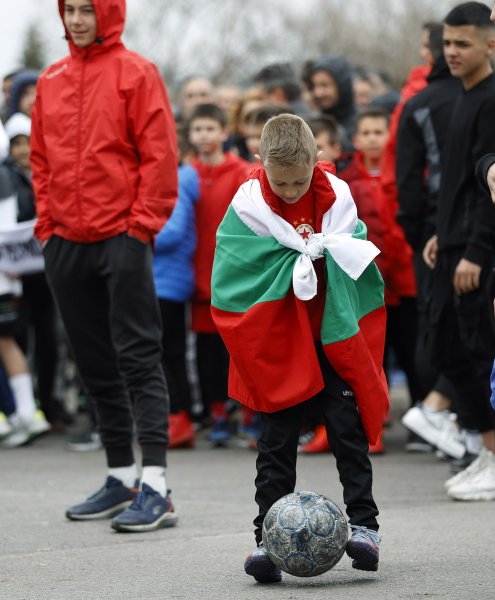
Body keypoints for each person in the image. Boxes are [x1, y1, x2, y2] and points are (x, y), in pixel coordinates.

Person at [211, 114, 389, 581]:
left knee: (347, 431)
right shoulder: (247, 207)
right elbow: (234, 274)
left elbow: (356, 251)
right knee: (275, 440)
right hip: (280, 345)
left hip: (330, 339)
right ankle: (265, 540)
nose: (290, 192)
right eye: (281, 182)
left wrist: (322, 251)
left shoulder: (338, 198)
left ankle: (365, 527)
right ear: (260, 164)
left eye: (299, 180)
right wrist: (297, 256)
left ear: (317, 160)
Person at [30, 0, 179, 531]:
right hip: (65, 239)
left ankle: (157, 485)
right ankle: (121, 475)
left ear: (108, 13)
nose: (75, 19)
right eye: (69, 9)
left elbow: (160, 156)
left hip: (123, 233)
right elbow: (41, 160)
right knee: (93, 362)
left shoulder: (137, 73)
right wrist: (48, 228)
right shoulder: (50, 79)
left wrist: (141, 227)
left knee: (139, 355)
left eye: (86, 10)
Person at [422, 2, 495, 501]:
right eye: (447, 43)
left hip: (476, 252)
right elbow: (454, 184)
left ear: (489, 44)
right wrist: (439, 232)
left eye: (462, 43)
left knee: (475, 351)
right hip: (449, 243)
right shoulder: (459, 97)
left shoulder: (492, 99)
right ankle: (487, 452)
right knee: (446, 347)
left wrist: (474, 250)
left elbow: (490, 186)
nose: (452, 52)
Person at [396, 24, 469, 462]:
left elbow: (406, 183)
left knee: (446, 325)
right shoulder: (453, 99)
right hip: (455, 231)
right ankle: (446, 411)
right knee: (467, 328)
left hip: (435, 231)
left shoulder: (420, 103)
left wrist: (417, 230)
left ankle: (454, 418)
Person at [188, 102, 250, 443]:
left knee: (239, 351)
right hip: (199, 279)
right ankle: (217, 416)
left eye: (210, 128)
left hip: (235, 279)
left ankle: (248, 414)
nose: (204, 135)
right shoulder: (187, 174)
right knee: (206, 353)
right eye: (198, 129)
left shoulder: (240, 172)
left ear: (224, 133)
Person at [153, 124, 200, 449]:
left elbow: (171, 231)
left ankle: (178, 418)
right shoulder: (176, 177)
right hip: (163, 279)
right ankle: (176, 418)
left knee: (165, 352)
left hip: (166, 281)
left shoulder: (179, 179)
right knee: (168, 352)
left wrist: (133, 235)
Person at [306, 54, 357, 149]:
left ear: (342, 86)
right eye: (314, 86)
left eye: (324, 85)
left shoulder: (363, 126)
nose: (318, 93)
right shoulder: (311, 125)